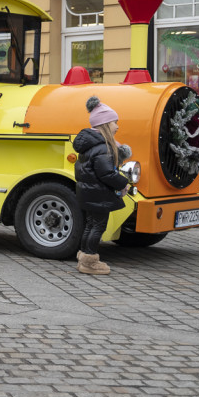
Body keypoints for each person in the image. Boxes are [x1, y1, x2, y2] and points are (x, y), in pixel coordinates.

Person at [74, 96, 129, 276]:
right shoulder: (103, 147)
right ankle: (90, 262)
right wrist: (123, 182)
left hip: (90, 193)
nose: (117, 126)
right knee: (97, 226)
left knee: (90, 225)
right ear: (105, 124)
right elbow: (107, 174)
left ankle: (84, 258)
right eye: (114, 122)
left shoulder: (90, 145)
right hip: (99, 194)